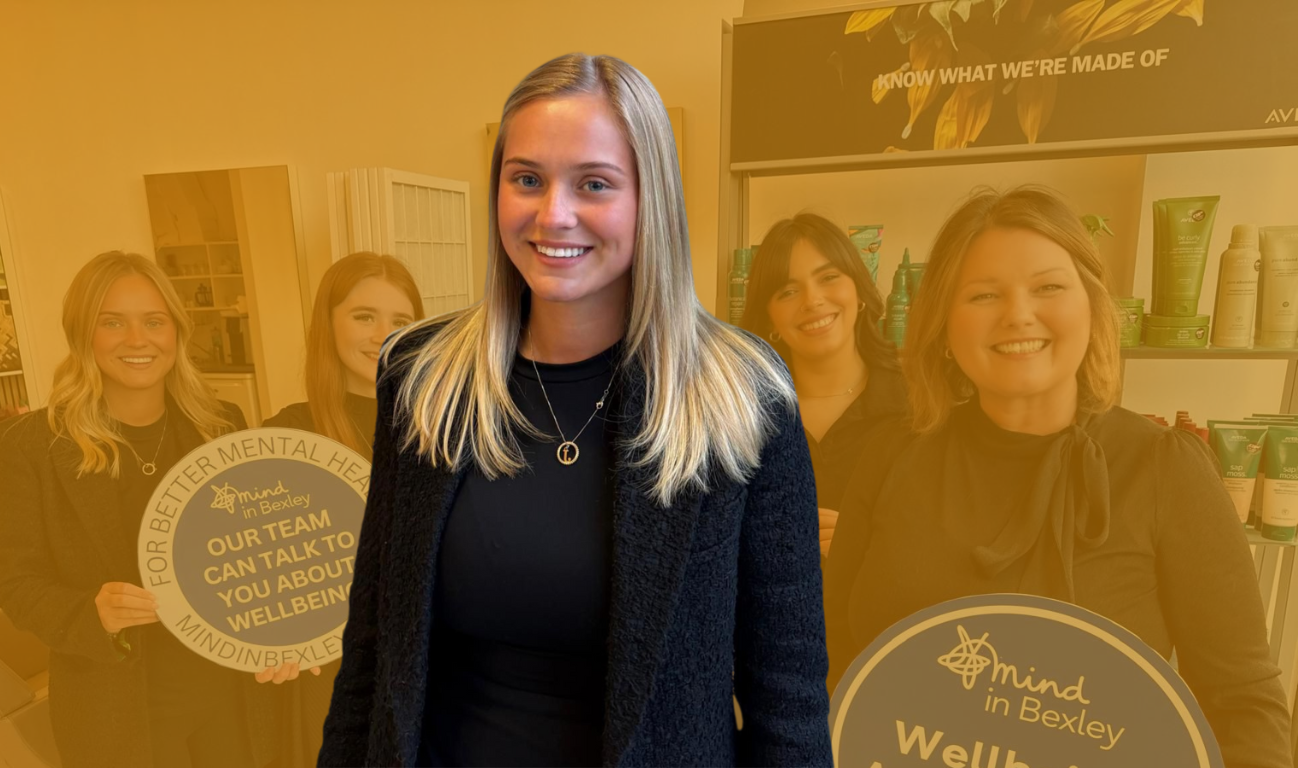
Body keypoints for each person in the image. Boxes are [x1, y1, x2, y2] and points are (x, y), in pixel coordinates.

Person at [318, 53, 831, 767]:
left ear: (651, 198)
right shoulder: (423, 379)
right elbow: (371, 650)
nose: (552, 214)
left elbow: (789, 692)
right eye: (526, 179)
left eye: (594, 184)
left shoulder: (741, 396)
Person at [822, 187, 1292, 766]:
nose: (1019, 314)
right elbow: (836, 654)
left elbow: (1244, 707)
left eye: (1048, 287)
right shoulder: (893, 454)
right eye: (984, 294)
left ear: (1092, 306)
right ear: (943, 322)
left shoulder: (1164, 470)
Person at [0, 251, 304, 768]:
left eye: (153, 321)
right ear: (81, 334)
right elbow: (17, 584)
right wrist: (91, 612)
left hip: (235, 697)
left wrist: (280, 635)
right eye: (112, 322)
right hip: (116, 712)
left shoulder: (221, 425)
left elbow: (262, 554)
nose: (138, 340)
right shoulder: (27, 445)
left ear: (176, 332)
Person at [263, 251, 424, 766]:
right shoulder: (285, 437)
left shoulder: (444, 428)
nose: (383, 334)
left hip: (427, 669)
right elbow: (264, 568)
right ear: (327, 326)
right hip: (328, 677)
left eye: (401, 321)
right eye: (363, 316)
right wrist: (271, 638)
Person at [741, 214, 905, 557]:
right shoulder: (742, 417)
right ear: (769, 317)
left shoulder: (915, 407)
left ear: (858, 289)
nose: (812, 301)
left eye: (829, 277)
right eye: (787, 291)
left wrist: (866, 538)